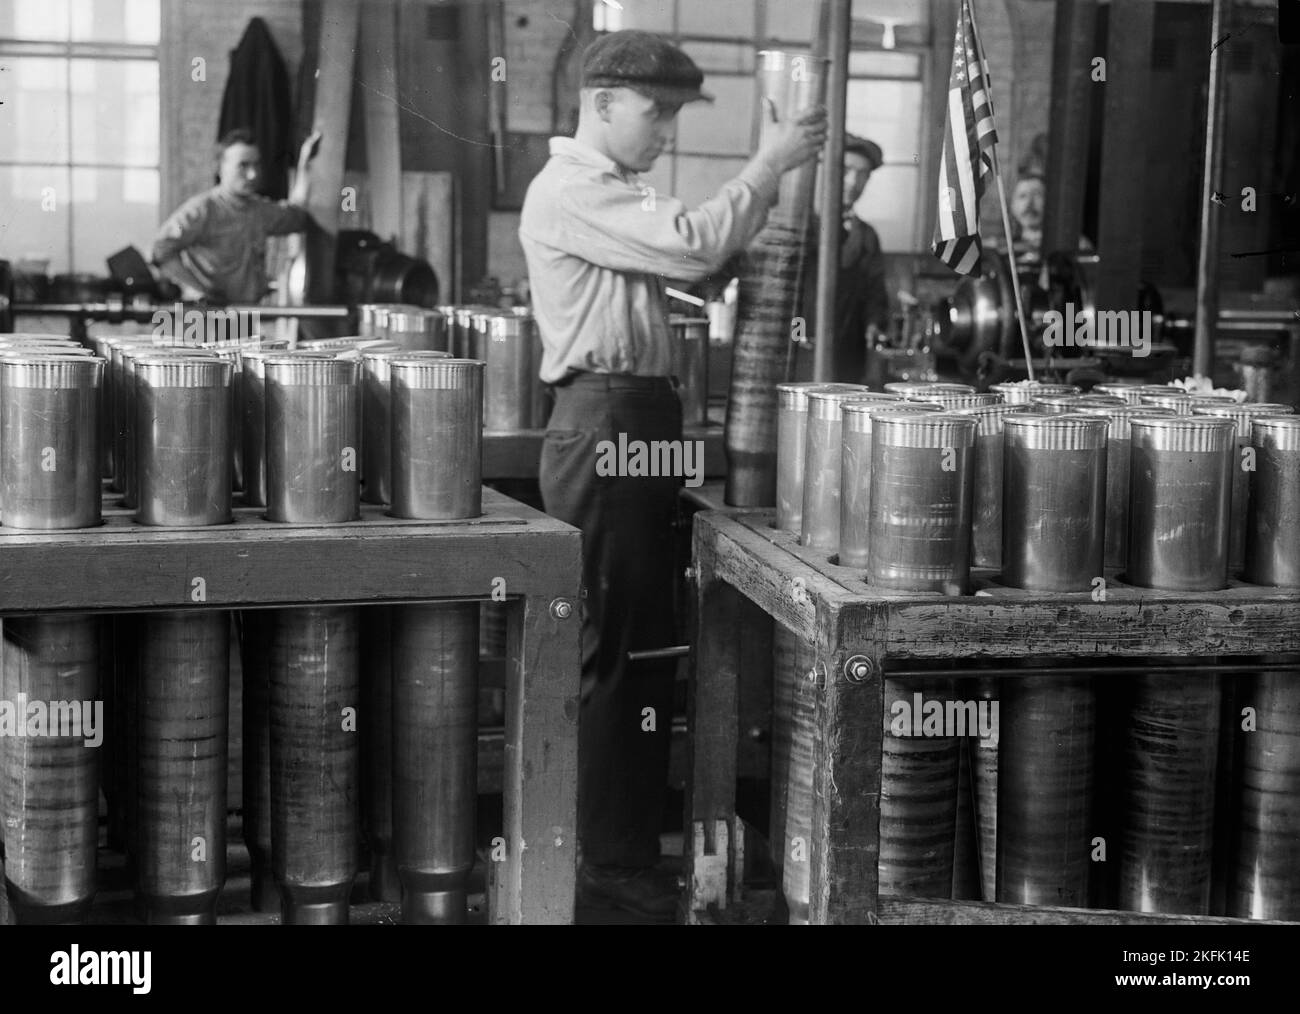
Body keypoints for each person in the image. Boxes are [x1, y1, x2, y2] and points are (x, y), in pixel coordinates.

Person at [520, 29, 826, 920]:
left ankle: (617, 847)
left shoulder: (613, 191)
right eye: (655, 113)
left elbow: (690, 262)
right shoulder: (571, 188)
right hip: (606, 419)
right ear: (602, 102)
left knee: (642, 647)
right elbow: (690, 244)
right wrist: (768, 161)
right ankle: (607, 861)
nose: (663, 132)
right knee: (616, 648)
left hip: (637, 418)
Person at [151, 127, 321, 304]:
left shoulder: (260, 211)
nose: (252, 174)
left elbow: (295, 214)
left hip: (245, 317)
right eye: (243, 165)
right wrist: (195, 290)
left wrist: (304, 163)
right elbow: (161, 249)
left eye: (256, 165)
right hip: (207, 320)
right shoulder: (201, 210)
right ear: (219, 168)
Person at [798, 134, 890, 384]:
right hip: (799, 351)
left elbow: (876, 295)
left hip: (848, 357)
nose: (853, 182)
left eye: (863, 174)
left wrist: (874, 324)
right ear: (825, 170)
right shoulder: (799, 227)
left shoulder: (867, 236)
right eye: (846, 170)